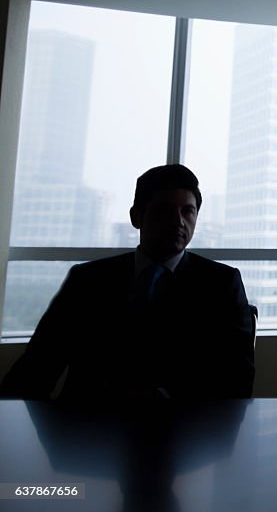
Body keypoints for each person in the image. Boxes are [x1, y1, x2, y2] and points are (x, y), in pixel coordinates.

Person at [0, 164, 255, 399]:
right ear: (136, 217)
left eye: (188, 211)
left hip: (184, 430)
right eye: (164, 210)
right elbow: (39, 364)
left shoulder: (220, 284)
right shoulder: (88, 281)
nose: (179, 221)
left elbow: (237, 378)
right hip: (90, 427)